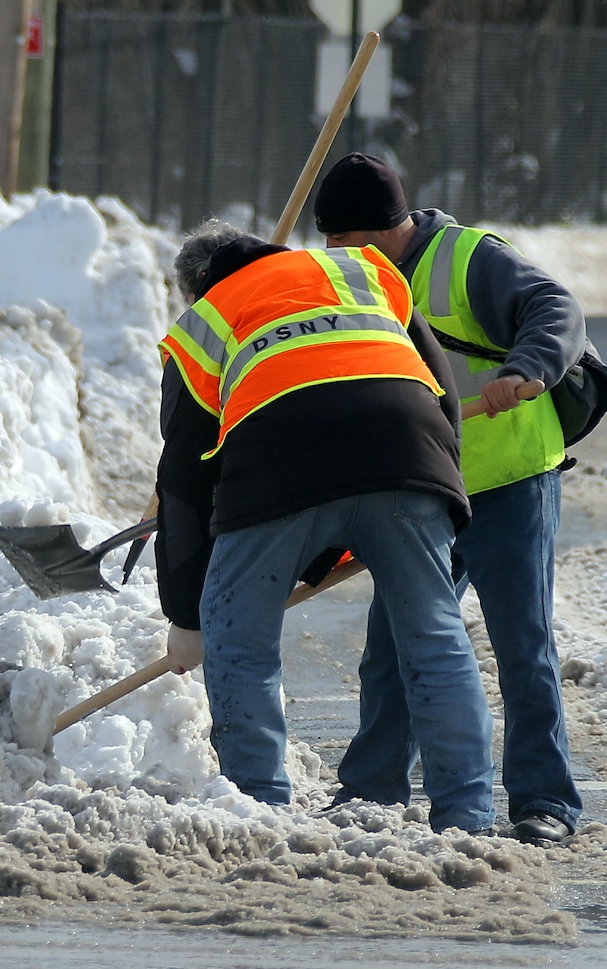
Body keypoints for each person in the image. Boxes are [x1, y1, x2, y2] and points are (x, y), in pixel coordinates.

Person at [154, 219, 495, 835]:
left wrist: (188, 619)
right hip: (410, 456)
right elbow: (444, 394)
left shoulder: (202, 324)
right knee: (437, 641)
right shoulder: (362, 270)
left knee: (241, 642)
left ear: (196, 288)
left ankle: (258, 809)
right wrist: (427, 502)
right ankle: (467, 814)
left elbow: (182, 483)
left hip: (278, 468)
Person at [313, 153, 585, 844]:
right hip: (425, 488)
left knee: (521, 641)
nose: (332, 261)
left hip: (509, 479)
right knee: (394, 641)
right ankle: (371, 788)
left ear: (371, 231)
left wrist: (526, 367)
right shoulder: (359, 281)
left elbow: (556, 307)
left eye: (338, 245)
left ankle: (544, 800)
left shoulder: (469, 259)